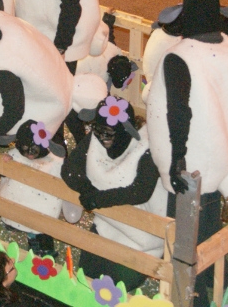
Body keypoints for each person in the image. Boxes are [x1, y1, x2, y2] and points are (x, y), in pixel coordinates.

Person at [145, 0, 228, 306]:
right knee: (209, 229)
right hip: (227, 157)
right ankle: (209, 284)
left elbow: (178, 111)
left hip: (191, 162)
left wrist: (176, 159)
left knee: (185, 235)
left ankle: (189, 296)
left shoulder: (180, 56)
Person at [0, 4, 106, 155]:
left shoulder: (0, 66)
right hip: (59, 75)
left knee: (46, 133)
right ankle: (83, 146)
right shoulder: (0, 24)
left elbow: (14, 112)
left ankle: (65, 156)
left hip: (49, 102)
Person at [61, 96, 167, 290]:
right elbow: (69, 169)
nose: (101, 138)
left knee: (116, 285)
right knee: (88, 275)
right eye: (97, 131)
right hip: (106, 225)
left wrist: (99, 199)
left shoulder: (148, 148)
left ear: (126, 130)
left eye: (108, 133)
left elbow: (141, 191)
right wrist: (88, 191)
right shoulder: (96, 139)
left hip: (143, 236)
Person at [0, 120, 66, 258]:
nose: (29, 153)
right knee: (13, 212)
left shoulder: (55, 160)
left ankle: (40, 243)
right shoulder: (15, 155)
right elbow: (3, 172)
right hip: (15, 198)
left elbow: (62, 184)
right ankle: (14, 223)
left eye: (33, 149)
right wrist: (4, 163)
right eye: (24, 148)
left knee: (41, 225)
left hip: (41, 203)